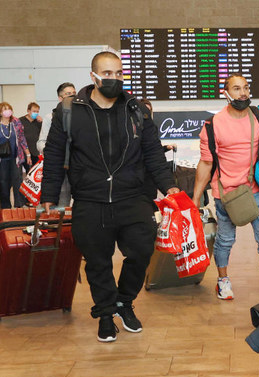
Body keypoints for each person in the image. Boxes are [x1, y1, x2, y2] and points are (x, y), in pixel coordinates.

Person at [40, 52, 179, 343]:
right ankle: (105, 313)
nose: (113, 78)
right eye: (107, 73)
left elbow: (153, 152)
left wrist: (169, 186)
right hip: (90, 199)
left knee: (141, 251)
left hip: (133, 197)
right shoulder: (69, 111)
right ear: (93, 76)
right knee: (97, 262)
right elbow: (53, 156)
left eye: (118, 73)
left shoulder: (135, 109)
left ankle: (124, 302)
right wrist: (49, 196)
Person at [191, 73, 259, 300]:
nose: (243, 93)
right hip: (227, 194)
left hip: (258, 190)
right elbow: (206, 164)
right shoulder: (212, 125)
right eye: (236, 89)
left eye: (246, 87)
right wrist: (195, 199)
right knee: (225, 240)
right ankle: (223, 280)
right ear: (225, 93)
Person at [0, 102, 32, 208]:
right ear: (0, 112)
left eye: (9, 109)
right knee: (3, 182)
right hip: (1, 159)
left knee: (17, 181)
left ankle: (19, 204)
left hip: (15, 158)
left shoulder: (16, 122)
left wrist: (27, 154)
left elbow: (22, 139)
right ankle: (5, 206)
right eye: (5, 109)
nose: (7, 111)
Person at [38, 82, 76, 206]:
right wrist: (53, 150)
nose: (72, 97)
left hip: (76, 166)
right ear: (60, 98)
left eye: (74, 94)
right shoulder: (51, 117)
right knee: (63, 202)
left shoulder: (80, 115)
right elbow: (41, 142)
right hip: (60, 166)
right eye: (68, 94)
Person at [19, 102, 42, 170]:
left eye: (37, 111)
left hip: (35, 151)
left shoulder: (38, 122)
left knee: (34, 171)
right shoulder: (20, 121)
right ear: (28, 111)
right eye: (34, 111)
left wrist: (42, 122)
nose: (36, 113)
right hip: (23, 151)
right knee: (26, 170)